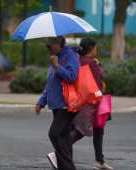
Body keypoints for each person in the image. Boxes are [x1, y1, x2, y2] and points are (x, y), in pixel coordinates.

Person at [46, 38, 113, 170]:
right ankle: (58, 154)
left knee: (96, 129)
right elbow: (96, 84)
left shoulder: (78, 60)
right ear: (92, 48)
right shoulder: (90, 63)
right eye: (96, 48)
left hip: (80, 100)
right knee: (79, 130)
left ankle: (99, 160)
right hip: (91, 102)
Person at [35, 36, 80, 170]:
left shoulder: (70, 56)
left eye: (49, 46)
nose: (47, 48)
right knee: (64, 138)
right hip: (56, 104)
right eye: (46, 46)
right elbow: (51, 82)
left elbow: (72, 77)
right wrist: (41, 102)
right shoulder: (55, 57)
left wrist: (57, 66)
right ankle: (63, 166)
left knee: (54, 134)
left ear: (59, 44)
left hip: (67, 104)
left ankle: (68, 167)